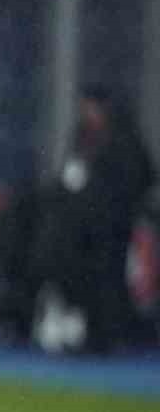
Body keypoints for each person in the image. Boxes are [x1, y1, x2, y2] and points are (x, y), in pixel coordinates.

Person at [33, 85, 156, 352]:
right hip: (81, 226)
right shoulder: (83, 136)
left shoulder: (125, 140)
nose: (87, 112)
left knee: (109, 278)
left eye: (91, 107)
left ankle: (109, 336)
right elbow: (71, 175)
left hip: (112, 224)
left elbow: (140, 179)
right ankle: (77, 327)